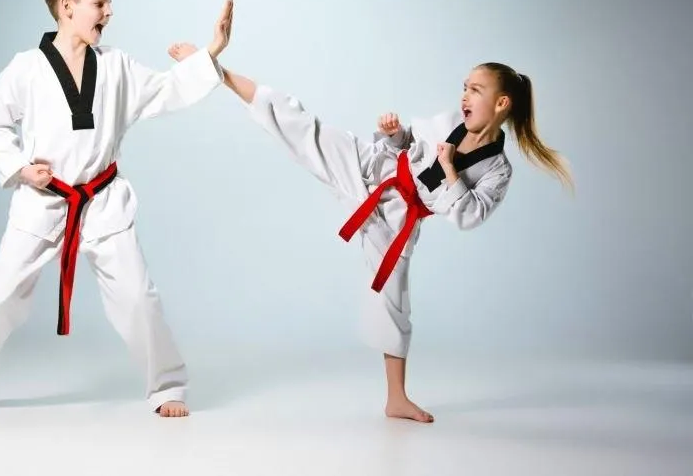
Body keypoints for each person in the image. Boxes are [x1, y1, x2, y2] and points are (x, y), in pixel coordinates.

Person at [166, 44, 572, 422]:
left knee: (394, 300)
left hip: (397, 220)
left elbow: (469, 217)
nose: (464, 96)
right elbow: (406, 143)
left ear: (502, 103)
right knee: (302, 123)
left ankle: (396, 398)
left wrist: (450, 171)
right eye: (464, 88)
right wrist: (394, 134)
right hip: (372, 170)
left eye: (476, 90)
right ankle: (216, 70)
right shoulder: (450, 122)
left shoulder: (498, 169)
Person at [0, 0, 234, 418]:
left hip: (103, 199)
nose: (109, 12)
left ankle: (167, 387)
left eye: (109, 4)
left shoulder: (116, 65)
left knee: (137, 296)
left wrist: (211, 49)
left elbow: (167, 90)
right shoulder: (26, 68)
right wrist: (18, 167)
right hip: (42, 201)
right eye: (100, 3)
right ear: (66, 7)